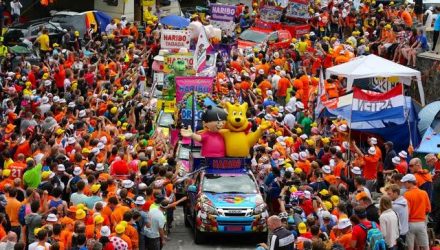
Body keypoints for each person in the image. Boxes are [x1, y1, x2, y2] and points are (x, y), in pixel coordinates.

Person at [402, 174, 431, 250]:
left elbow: (406, 211)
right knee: (425, 246)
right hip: (421, 223)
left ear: (409, 182)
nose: (403, 184)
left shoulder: (406, 194)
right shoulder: (424, 193)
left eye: (404, 183)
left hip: (410, 223)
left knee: (410, 247)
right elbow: (428, 209)